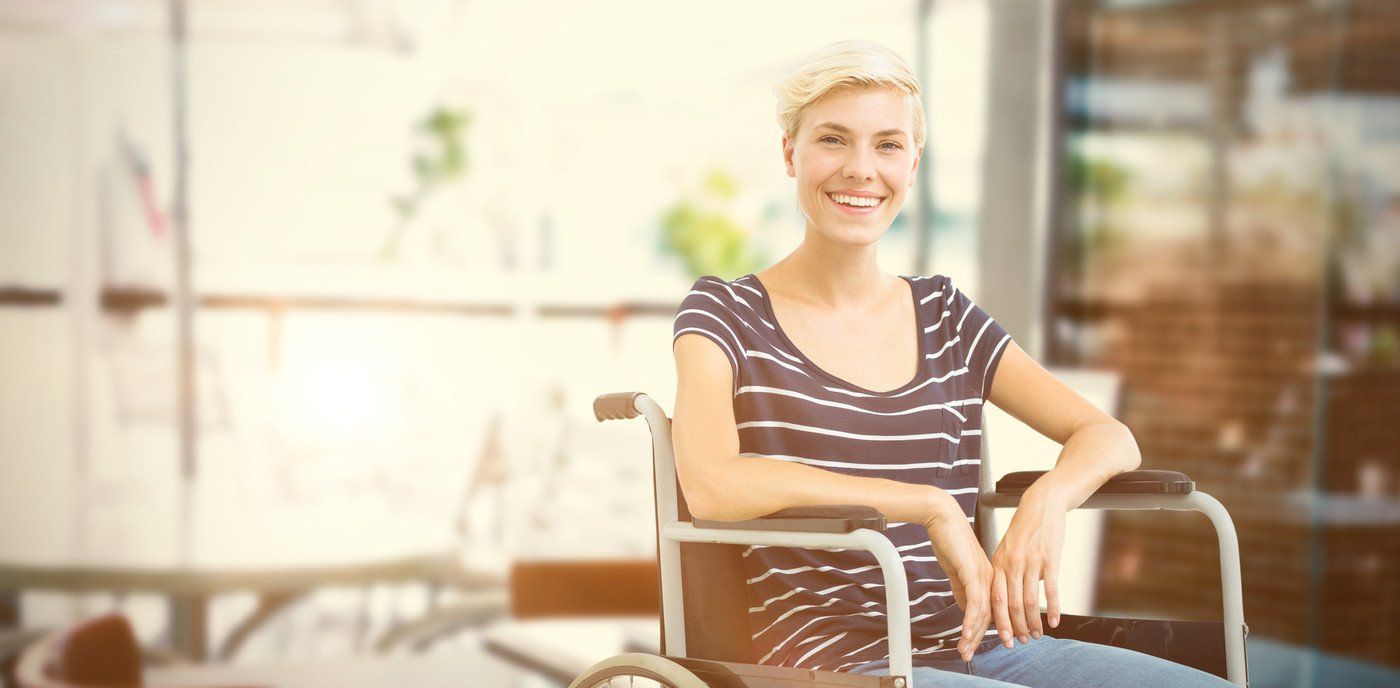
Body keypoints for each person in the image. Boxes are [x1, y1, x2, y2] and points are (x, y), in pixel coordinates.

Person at [668, 40, 1233, 688]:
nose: (860, 169)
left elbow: (1108, 437)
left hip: (992, 647)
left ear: (913, 164)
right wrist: (927, 505)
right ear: (791, 152)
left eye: (887, 145)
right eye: (833, 140)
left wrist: (1047, 501)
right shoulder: (725, 311)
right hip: (837, 666)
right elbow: (712, 481)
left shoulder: (945, 313)